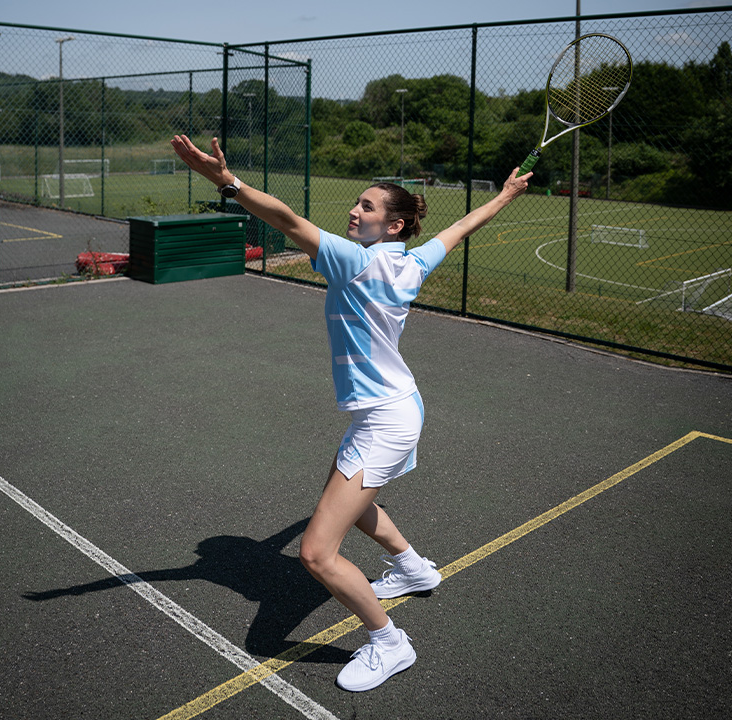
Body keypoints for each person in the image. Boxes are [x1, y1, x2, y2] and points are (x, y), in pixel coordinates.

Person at [171, 134, 530, 692]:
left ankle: (390, 642)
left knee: (316, 554)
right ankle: (413, 569)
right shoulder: (410, 263)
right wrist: (505, 195)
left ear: (392, 225)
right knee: (351, 506)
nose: (353, 210)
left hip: (387, 417)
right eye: (356, 202)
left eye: (366, 206)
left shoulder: (356, 262)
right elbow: (458, 231)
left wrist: (226, 181)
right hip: (395, 407)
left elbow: (287, 218)